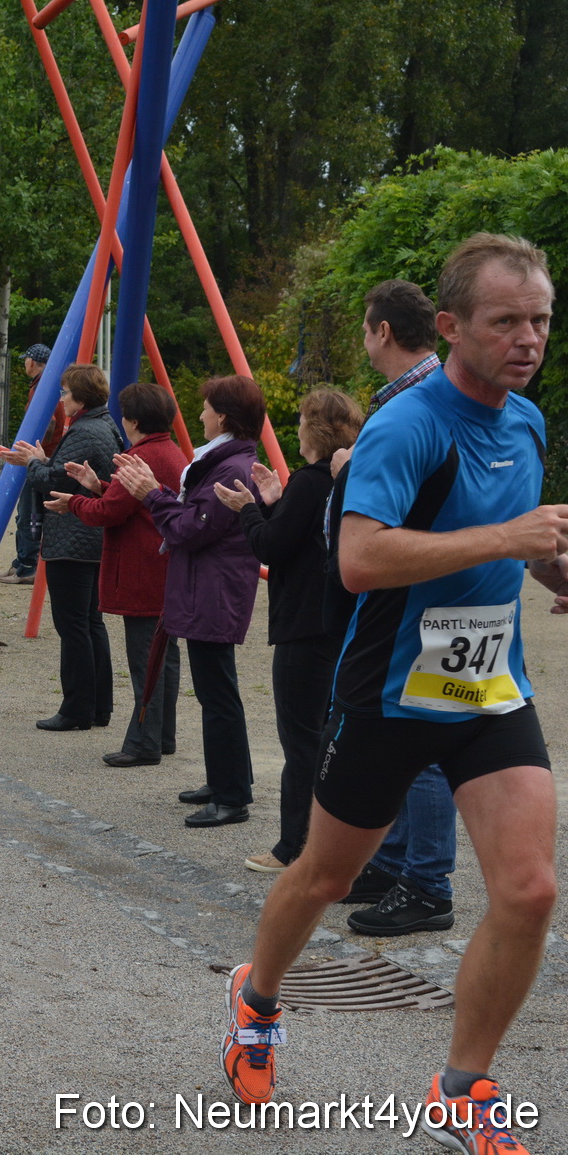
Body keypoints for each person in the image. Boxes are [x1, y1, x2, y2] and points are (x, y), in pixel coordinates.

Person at [219, 237, 562, 1153]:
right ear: (449, 326)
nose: (528, 339)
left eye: (540, 320)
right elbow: (361, 557)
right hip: (392, 693)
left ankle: (461, 1087)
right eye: (506, 321)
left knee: (528, 890)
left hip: (489, 686)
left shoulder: (525, 422)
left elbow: (514, 538)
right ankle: (255, 1003)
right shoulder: (407, 426)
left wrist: (552, 562)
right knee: (325, 876)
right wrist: (505, 538)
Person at [328, 278, 462, 935]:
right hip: (410, 600)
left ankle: (428, 883)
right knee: (396, 732)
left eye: (364, 325)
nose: (362, 336)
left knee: (425, 740)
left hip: (429, 602)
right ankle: (395, 860)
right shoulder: (416, 399)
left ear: (382, 330)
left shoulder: (426, 402)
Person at [215, 388, 361, 873]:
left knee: (301, 741)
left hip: (303, 623)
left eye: (300, 421)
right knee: (328, 736)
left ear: (315, 429)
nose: (295, 429)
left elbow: (272, 547)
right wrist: (275, 501)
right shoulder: (335, 482)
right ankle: (326, 844)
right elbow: (303, 539)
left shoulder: (310, 481)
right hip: (335, 621)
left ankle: (291, 847)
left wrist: (248, 509)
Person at [112, 375, 264, 828]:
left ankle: (232, 795)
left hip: (214, 591)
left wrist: (152, 495)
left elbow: (189, 528)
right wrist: (160, 498)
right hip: (206, 587)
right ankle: (226, 781)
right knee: (216, 690)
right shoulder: (221, 461)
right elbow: (189, 520)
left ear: (224, 416)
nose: (199, 415)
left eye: (206, 408)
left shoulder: (230, 468)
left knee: (219, 694)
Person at [48, 380, 185, 762]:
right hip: (162, 569)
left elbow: (110, 512)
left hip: (143, 570)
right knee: (164, 657)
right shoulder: (168, 451)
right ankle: (162, 735)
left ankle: (143, 742)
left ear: (135, 420)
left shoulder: (145, 456)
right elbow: (129, 501)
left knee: (146, 660)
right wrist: (98, 485)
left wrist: (74, 502)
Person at [0, 363, 119, 730]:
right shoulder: (105, 425)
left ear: (80, 396)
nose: (61, 397)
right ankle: (99, 706)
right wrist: (43, 461)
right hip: (92, 537)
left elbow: (54, 482)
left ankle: (77, 708)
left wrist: (33, 463)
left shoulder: (85, 430)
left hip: (74, 539)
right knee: (90, 623)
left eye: (65, 391)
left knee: (73, 626)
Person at [0, 343, 55, 585]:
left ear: (32, 362)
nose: (24, 364)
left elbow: (49, 423)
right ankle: (23, 561)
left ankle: (28, 565)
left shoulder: (41, 386)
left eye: (25, 360)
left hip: (38, 459)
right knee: (28, 512)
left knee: (29, 513)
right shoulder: (48, 383)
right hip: (43, 457)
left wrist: (33, 449)